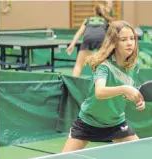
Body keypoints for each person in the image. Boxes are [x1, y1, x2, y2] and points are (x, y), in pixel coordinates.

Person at [62, 20, 146, 152]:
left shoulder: (134, 66)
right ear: (114, 43)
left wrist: (138, 99)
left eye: (132, 38)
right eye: (123, 39)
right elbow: (100, 92)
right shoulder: (104, 66)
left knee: (141, 153)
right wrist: (125, 89)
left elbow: (125, 93)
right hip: (89, 121)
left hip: (116, 123)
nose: (130, 43)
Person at [67, 5, 110, 77]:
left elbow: (79, 33)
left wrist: (72, 44)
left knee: (78, 65)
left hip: (88, 39)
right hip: (101, 40)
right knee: (104, 64)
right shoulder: (106, 21)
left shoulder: (88, 19)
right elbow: (110, 34)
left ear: (94, 12)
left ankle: (73, 84)